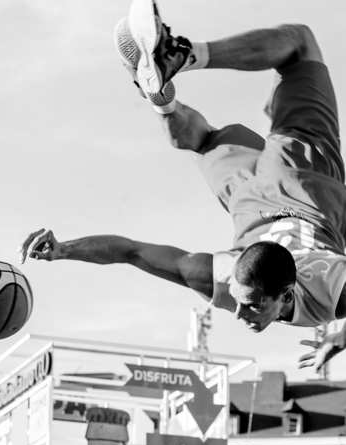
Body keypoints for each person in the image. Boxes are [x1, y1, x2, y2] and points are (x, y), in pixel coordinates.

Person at [19, 0, 346, 371]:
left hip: (254, 198)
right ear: (287, 294)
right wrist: (339, 337)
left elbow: (132, 252)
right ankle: (181, 57)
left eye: (247, 304)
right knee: (300, 45)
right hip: (305, 182)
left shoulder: (226, 277)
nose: (239, 313)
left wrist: (64, 249)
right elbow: (133, 252)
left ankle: (163, 100)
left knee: (205, 138)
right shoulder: (329, 287)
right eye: (247, 302)